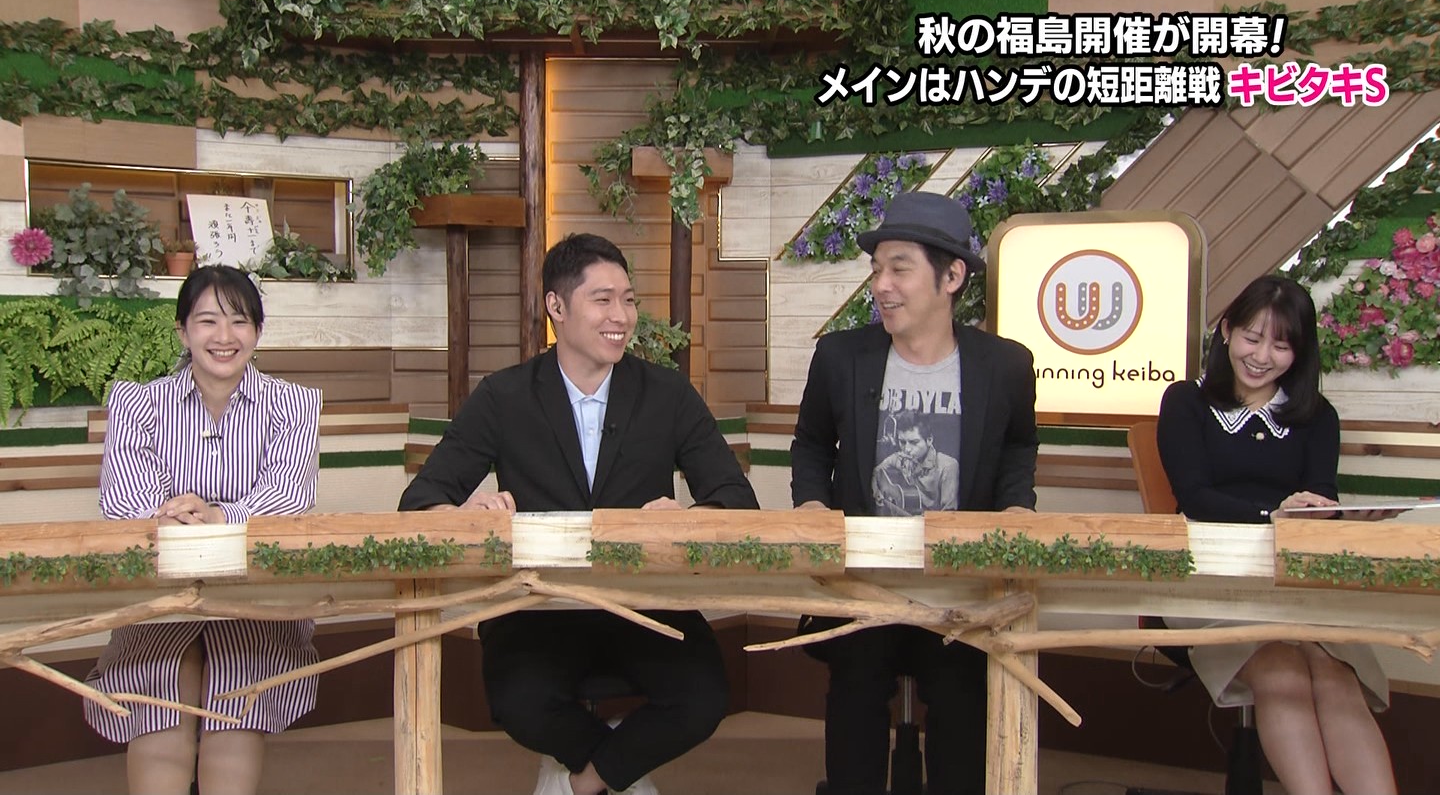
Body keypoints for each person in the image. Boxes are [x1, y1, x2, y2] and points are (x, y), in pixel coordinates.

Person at [398, 233, 758, 795]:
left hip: (643, 601)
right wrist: (470, 512)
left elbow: (736, 499)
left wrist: (685, 517)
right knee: (519, 700)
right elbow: (421, 501)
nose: (622, 317)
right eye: (603, 300)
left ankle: (585, 780)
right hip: (537, 605)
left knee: (703, 696)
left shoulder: (667, 394)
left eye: (628, 300)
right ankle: (619, 770)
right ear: (557, 307)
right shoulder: (504, 396)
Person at [790, 191, 1039, 795]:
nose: (882, 285)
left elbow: (1016, 447)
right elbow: (812, 445)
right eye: (877, 269)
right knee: (855, 691)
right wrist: (813, 508)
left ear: (951, 277)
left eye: (899, 269)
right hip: (866, 583)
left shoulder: (1004, 366)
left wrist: (1015, 509)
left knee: (962, 705)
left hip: (959, 587)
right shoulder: (841, 357)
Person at [1156, 274, 1395, 795]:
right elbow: (1195, 497)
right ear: (1226, 331)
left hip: (1291, 579)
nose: (1262, 356)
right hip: (1209, 572)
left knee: (1334, 671)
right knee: (1282, 668)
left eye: (1281, 345)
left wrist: (1336, 517)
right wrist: (1273, 516)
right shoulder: (1185, 401)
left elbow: (1320, 497)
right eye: (1252, 337)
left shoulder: (1317, 417)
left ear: (1299, 352)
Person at [89, 265, 321, 795]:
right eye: (208, 320)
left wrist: (215, 515)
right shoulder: (136, 403)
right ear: (182, 330)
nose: (224, 336)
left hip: (253, 596)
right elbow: (122, 503)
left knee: (239, 672)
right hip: (161, 594)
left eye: (239, 321)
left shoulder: (296, 404)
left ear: (257, 332)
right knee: (162, 677)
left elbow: (290, 501)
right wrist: (171, 515)